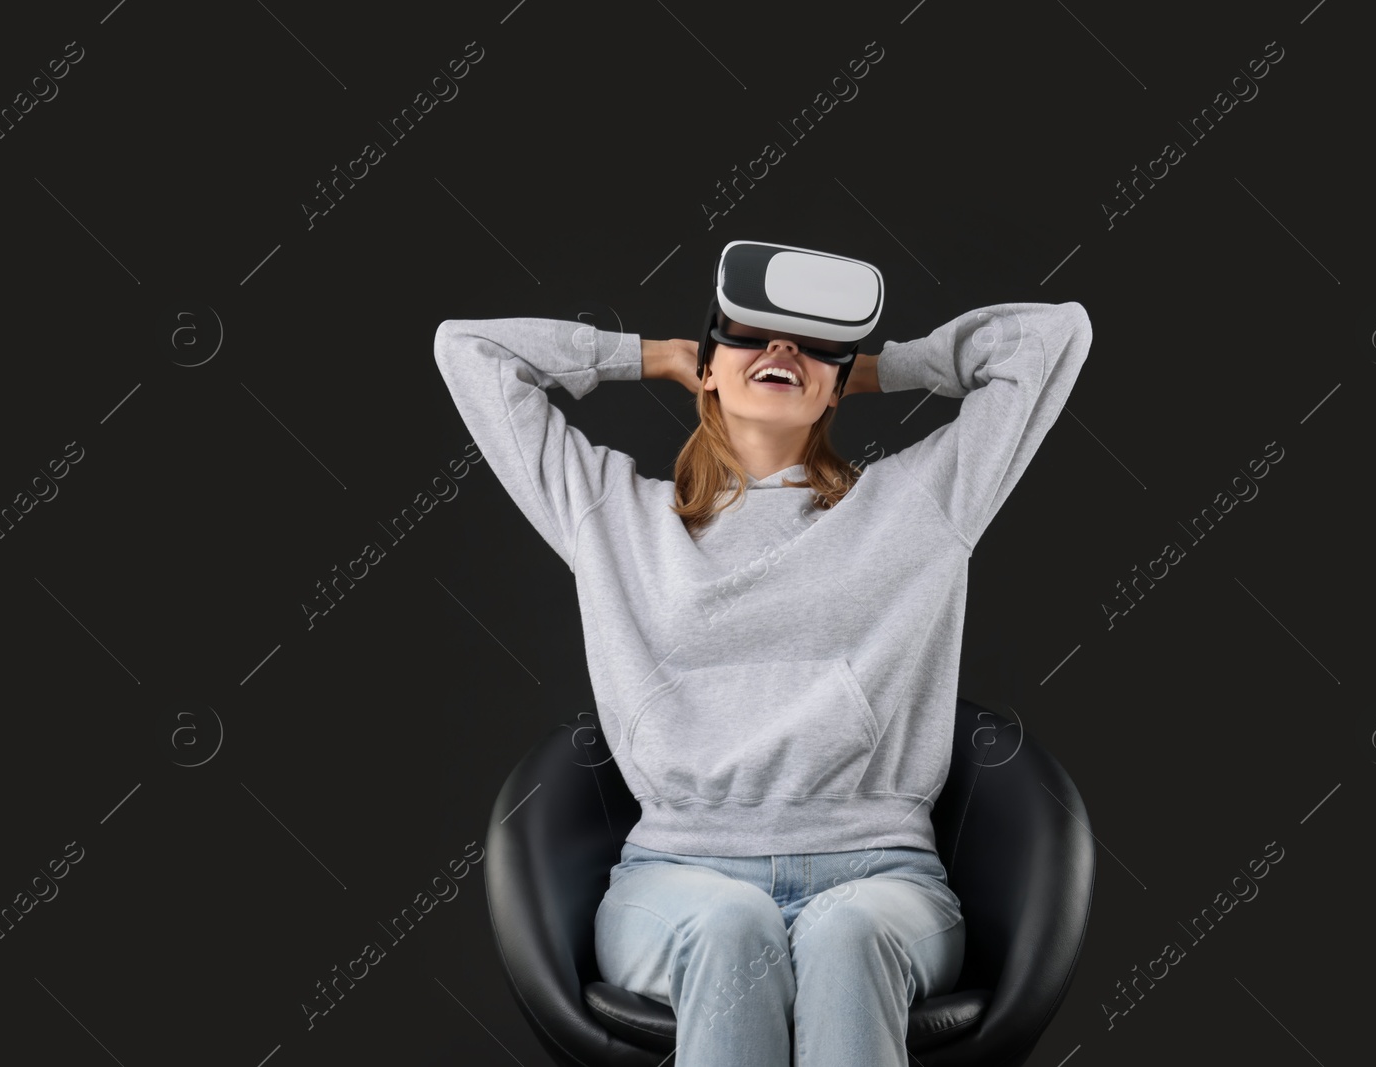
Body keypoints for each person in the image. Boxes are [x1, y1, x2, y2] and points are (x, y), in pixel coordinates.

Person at [432, 277, 1094, 1067]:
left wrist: (874, 368)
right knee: (730, 926)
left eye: (813, 343)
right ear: (708, 364)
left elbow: (1052, 335)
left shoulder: (917, 504)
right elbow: (467, 350)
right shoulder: (615, 516)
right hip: (679, 873)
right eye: (749, 335)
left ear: (836, 383)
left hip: (880, 875)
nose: (783, 349)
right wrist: (651, 356)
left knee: (845, 933)